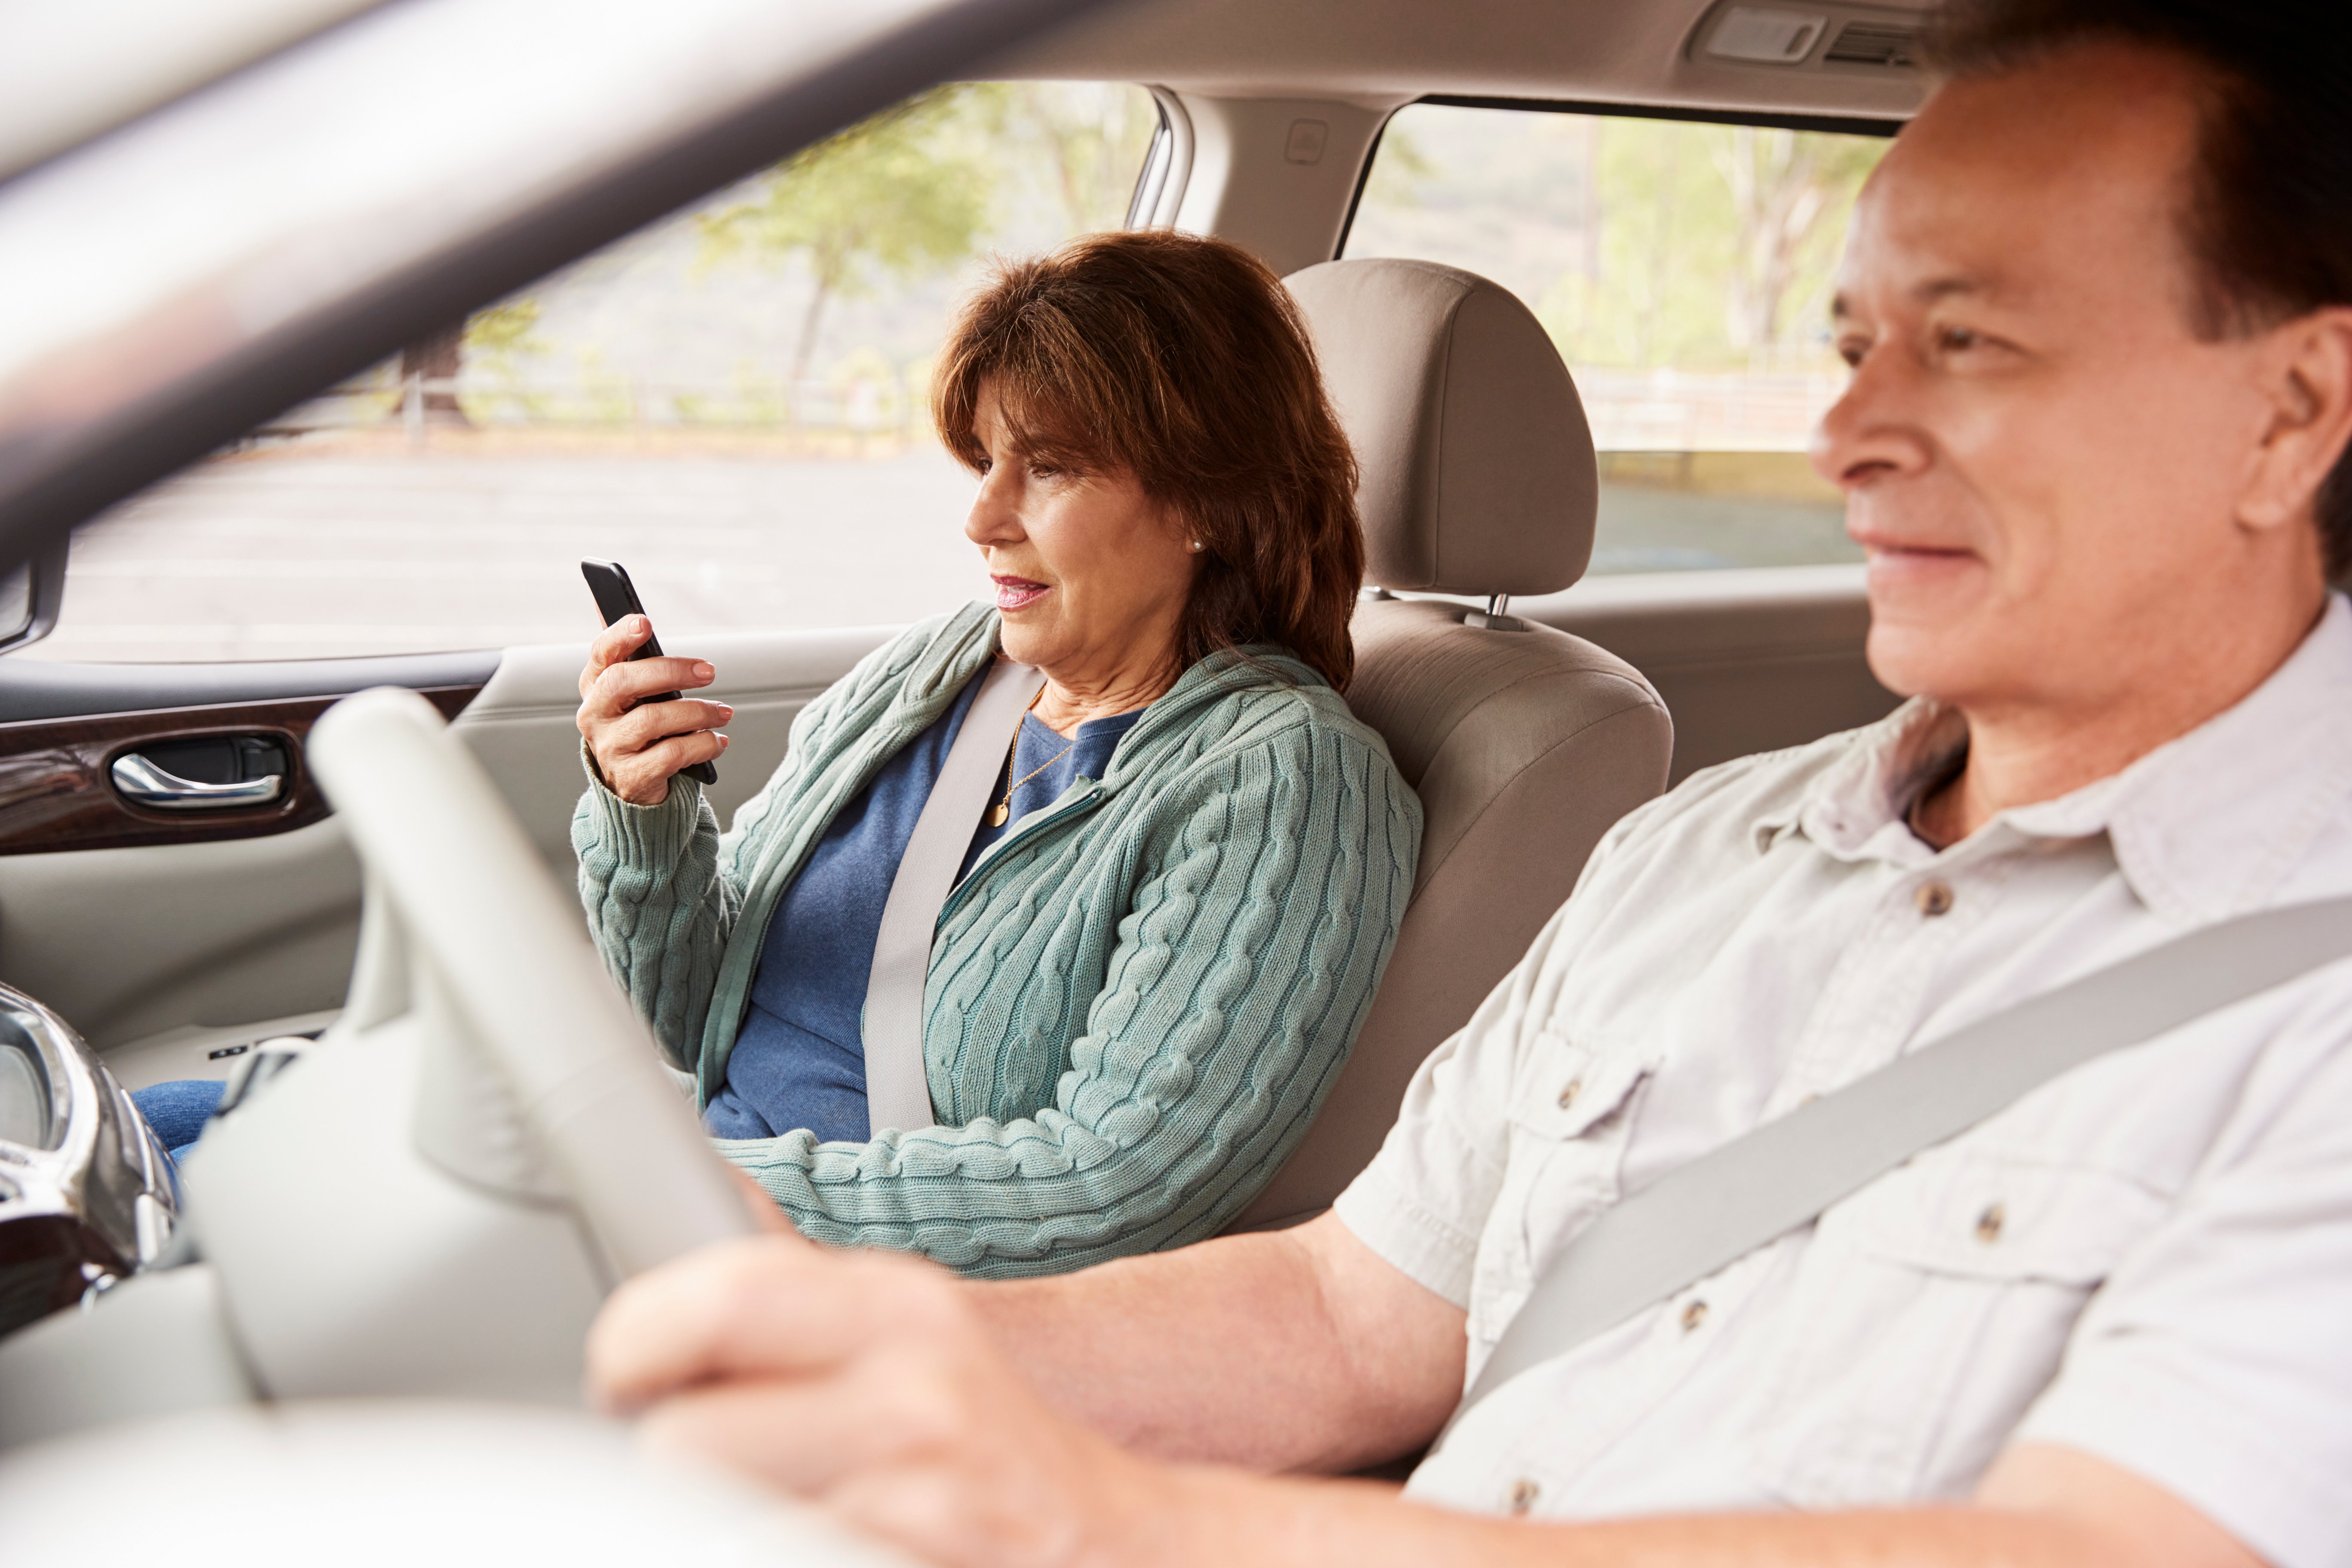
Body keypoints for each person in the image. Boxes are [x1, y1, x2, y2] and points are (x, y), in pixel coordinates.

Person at [580, 3, 2352, 1565]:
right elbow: (1354, 1318)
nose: (1842, 440)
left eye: (1969, 341)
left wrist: (1111, 1520)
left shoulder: (2309, 990)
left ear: (2291, 413)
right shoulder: (1705, 854)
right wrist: (844, 1341)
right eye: (1848, 347)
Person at [570, 229, 1420, 1274]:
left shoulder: (1282, 783)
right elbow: (700, 1018)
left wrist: (713, 1192)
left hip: (829, 1294)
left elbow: (1110, 1184)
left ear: (1207, 499)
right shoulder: (935, 670)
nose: (980, 516)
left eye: (1050, 467)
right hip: (695, 1195)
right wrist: (646, 820)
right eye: (985, 460)